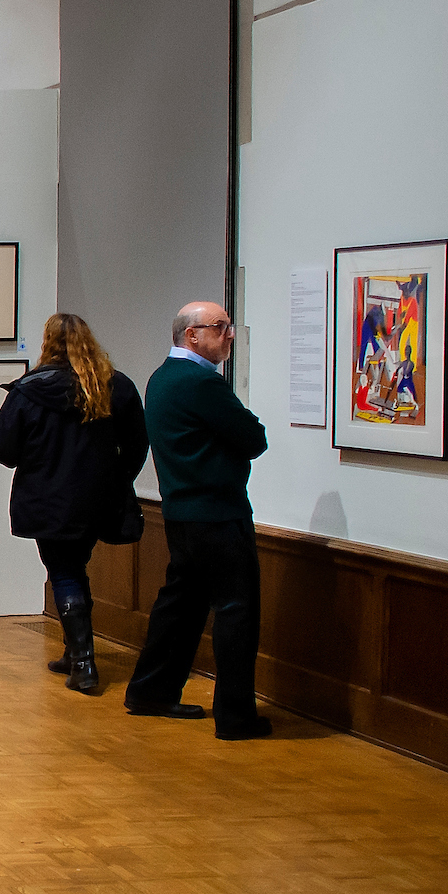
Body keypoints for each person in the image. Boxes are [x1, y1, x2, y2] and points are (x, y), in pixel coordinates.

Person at [123, 300, 272, 738]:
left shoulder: (162, 378)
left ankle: (151, 690)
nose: (229, 334)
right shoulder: (201, 383)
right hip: (217, 514)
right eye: (220, 326)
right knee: (236, 609)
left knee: (182, 604)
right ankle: (235, 716)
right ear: (192, 334)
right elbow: (253, 437)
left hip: (180, 512)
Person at [0, 313, 148, 694]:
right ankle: (72, 651)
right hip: (99, 499)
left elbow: (3, 448)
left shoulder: (30, 390)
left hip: (48, 499)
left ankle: (83, 664)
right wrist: (117, 478)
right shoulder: (115, 386)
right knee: (75, 567)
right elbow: (139, 444)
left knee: (64, 571)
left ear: (48, 343)